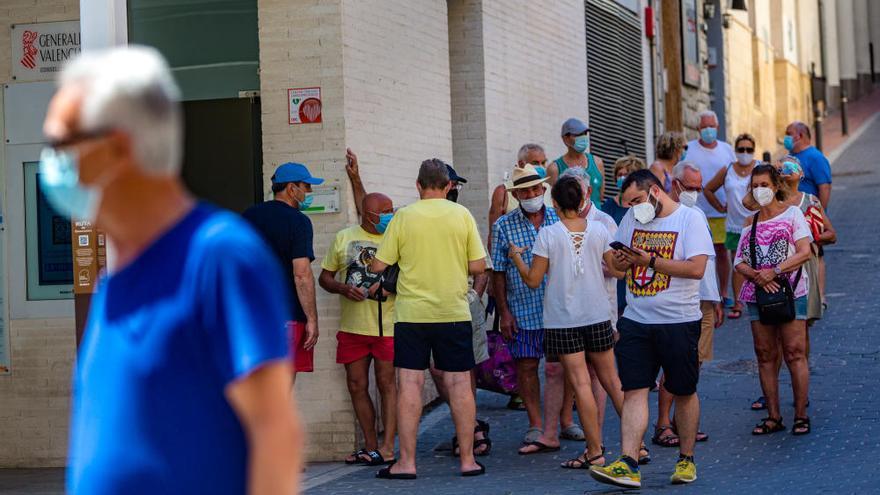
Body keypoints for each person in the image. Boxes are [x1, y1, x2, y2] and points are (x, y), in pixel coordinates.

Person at [51, 46, 303, 494]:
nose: (52, 164)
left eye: (61, 144)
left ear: (117, 147)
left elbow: (275, 432)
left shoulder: (217, 257)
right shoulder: (115, 279)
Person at [345, 151, 492, 457]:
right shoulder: (461, 216)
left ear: (418, 185)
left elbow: (378, 266)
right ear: (449, 185)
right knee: (460, 383)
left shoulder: (404, 217)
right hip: (452, 311)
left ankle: (406, 462)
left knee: (409, 384)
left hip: (412, 315)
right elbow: (478, 266)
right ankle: (467, 459)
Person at [590, 170, 713, 488]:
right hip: (636, 320)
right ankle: (629, 462)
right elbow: (618, 271)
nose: (633, 207)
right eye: (628, 202)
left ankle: (686, 460)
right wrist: (620, 260)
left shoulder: (690, 219)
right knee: (634, 390)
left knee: (683, 391)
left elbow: (697, 269)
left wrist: (650, 262)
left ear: (656, 191)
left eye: (637, 200)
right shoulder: (631, 219)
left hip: (679, 321)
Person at [509, 175, 624, 469]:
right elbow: (618, 272)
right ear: (583, 200)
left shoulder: (547, 234)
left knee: (581, 384)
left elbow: (534, 281)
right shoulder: (599, 229)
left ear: (555, 203)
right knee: (613, 382)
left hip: (563, 320)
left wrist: (517, 259)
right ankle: (639, 445)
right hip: (598, 315)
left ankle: (595, 451)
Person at [491, 164, 572, 453]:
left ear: (543, 190)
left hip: (560, 308)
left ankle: (564, 421)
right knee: (526, 366)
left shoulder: (559, 219)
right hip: (522, 308)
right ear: (516, 194)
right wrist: (504, 312)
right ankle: (536, 424)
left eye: (535, 189)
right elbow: (497, 272)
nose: (530, 194)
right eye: (523, 190)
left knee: (562, 366)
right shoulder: (503, 226)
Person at [733, 164, 812, 436]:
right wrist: (757, 276)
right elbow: (738, 261)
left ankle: (801, 414)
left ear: (776, 186)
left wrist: (774, 272)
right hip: (758, 295)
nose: (759, 190)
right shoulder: (750, 221)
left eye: (764, 185)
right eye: (755, 186)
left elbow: (805, 251)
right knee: (765, 355)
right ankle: (774, 416)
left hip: (790, 292)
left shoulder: (792, 215)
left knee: (794, 352)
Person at [319, 192, 398, 466]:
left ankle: (388, 446)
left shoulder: (397, 235)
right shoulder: (344, 237)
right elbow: (325, 277)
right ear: (368, 214)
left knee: (388, 385)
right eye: (385, 211)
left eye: (392, 209)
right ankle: (371, 446)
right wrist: (342, 287)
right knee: (356, 385)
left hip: (388, 327)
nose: (391, 214)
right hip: (353, 328)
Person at [652, 162, 724, 449]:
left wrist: (715, 298)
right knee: (675, 364)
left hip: (704, 300)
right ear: (676, 184)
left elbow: (708, 261)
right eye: (691, 187)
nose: (695, 192)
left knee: (695, 364)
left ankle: (683, 420)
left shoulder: (696, 215)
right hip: (681, 301)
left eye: (699, 187)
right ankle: (663, 424)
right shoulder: (668, 216)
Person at [243, 162, 322, 383]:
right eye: (306, 186)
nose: (309, 192)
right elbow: (301, 274)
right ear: (291, 188)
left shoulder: (249, 215)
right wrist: (312, 319)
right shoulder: (298, 222)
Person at [704, 133, 759, 319]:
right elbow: (708, 189)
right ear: (735, 151)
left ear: (754, 150)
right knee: (738, 265)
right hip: (735, 225)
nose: (745, 153)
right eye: (741, 149)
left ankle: (761, 298)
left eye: (749, 149)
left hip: (758, 223)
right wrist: (720, 207)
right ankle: (738, 303)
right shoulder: (728, 169)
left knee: (760, 262)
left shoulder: (760, 169)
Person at [687, 110, 736, 310]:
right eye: (704, 127)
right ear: (698, 129)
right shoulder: (688, 149)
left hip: (720, 212)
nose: (708, 130)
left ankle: (724, 293)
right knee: (697, 254)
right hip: (695, 211)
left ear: (717, 127)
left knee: (722, 252)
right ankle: (701, 295)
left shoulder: (727, 149)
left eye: (711, 127)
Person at [785, 121, 832, 310]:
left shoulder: (815, 157)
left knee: (816, 253)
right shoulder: (791, 157)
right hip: (793, 213)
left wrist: (819, 215)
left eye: (789, 133)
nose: (786, 137)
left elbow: (824, 187)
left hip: (809, 213)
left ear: (801, 135)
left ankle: (820, 296)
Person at [603, 155, 647, 319]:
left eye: (626, 174)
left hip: (638, 265)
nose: (622, 178)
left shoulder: (643, 207)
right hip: (614, 265)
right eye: (619, 174)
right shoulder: (608, 205)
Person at [488, 143, 552, 232]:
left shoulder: (548, 188)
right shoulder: (502, 191)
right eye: (535, 163)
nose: (541, 167)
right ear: (521, 163)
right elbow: (493, 235)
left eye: (543, 162)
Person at [547, 118, 605, 206]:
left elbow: (600, 196)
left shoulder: (598, 163)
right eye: (578, 135)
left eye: (585, 133)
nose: (584, 137)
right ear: (565, 138)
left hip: (597, 218)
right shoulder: (554, 169)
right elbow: (553, 202)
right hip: (569, 219)